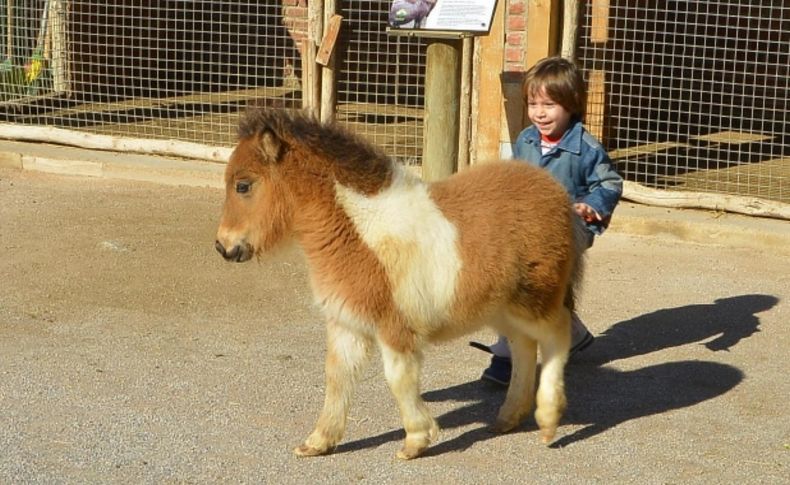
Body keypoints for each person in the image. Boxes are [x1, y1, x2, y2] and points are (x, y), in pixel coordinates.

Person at [471, 56, 623, 386]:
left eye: (549, 105)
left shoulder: (585, 147)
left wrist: (590, 206)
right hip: (529, 228)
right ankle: (572, 334)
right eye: (533, 103)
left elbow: (609, 183)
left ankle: (505, 358)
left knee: (523, 283)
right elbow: (515, 179)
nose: (540, 113)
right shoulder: (526, 139)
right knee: (520, 282)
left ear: (571, 105)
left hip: (571, 228)